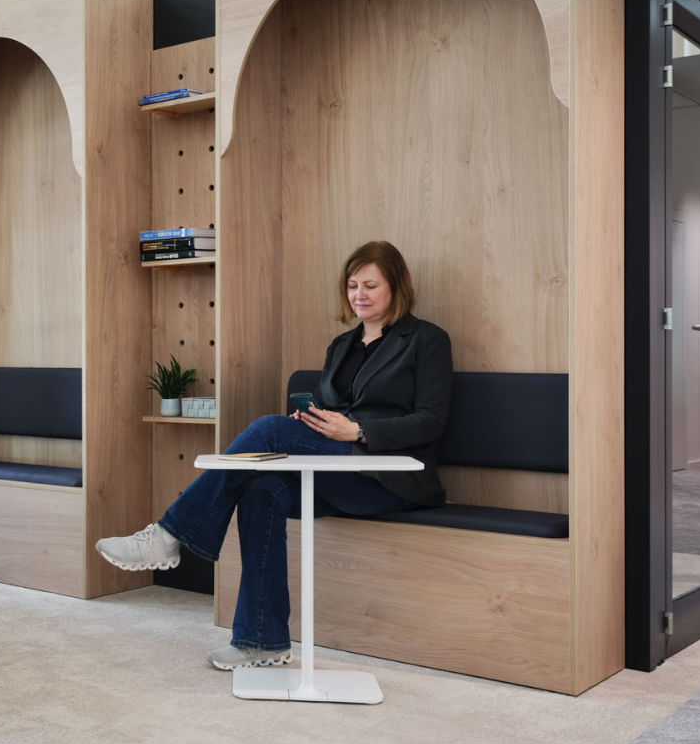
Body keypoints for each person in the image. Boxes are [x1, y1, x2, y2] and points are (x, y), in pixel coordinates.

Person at [96, 240, 453, 670]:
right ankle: (261, 639)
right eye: (352, 284)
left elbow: (431, 421)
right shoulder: (341, 346)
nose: (359, 294)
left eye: (371, 285)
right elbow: (332, 409)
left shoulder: (427, 340)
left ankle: (170, 534)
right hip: (338, 468)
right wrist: (315, 423)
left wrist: (356, 430)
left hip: (389, 475)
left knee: (267, 428)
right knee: (262, 487)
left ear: (396, 287)